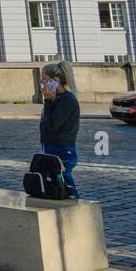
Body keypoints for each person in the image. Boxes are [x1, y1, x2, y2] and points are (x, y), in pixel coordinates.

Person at [39, 61, 81, 199]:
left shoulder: (67, 100)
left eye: (44, 79)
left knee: (67, 186)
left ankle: (75, 211)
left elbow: (53, 125)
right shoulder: (56, 99)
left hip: (62, 150)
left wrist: (48, 101)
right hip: (52, 147)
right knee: (57, 187)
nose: (42, 83)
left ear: (55, 80)